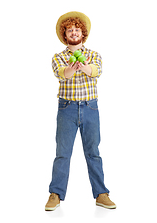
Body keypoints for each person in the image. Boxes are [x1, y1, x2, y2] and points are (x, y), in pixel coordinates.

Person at [45, 11, 116, 211]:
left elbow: (96, 71)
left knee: (93, 152)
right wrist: (72, 68)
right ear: (64, 34)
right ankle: (55, 194)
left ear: (82, 33)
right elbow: (62, 75)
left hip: (90, 107)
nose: (74, 33)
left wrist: (83, 66)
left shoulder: (93, 55)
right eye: (70, 30)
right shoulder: (58, 57)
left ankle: (101, 194)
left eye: (77, 30)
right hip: (66, 108)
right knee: (62, 153)